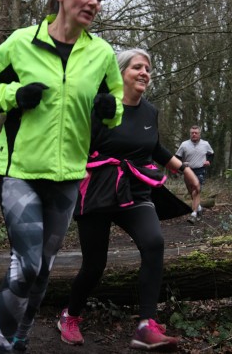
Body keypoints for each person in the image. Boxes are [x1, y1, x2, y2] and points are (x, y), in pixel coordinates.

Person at [0, 0, 124, 353]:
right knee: (26, 263)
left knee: (43, 269)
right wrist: (13, 95)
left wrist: (110, 109)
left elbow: (117, 100)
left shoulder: (102, 54)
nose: (93, 2)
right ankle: (3, 346)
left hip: (68, 175)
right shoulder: (21, 42)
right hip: (19, 170)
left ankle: (21, 336)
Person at [57, 49, 199, 351]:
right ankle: (70, 315)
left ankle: (146, 325)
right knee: (94, 265)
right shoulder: (100, 106)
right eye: (137, 67)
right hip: (97, 188)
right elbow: (71, 142)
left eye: (148, 68)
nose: (144, 72)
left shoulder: (150, 112)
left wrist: (184, 169)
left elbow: (154, 147)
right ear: (120, 72)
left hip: (135, 188)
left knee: (154, 243)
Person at [175, 125, 214, 223]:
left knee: (196, 190)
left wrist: (209, 161)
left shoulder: (205, 144)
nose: (194, 134)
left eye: (196, 133)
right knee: (191, 191)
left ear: (199, 134)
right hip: (188, 170)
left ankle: (193, 214)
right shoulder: (184, 144)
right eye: (192, 133)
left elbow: (211, 154)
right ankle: (199, 207)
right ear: (190, 134)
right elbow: (177, 157)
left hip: (200, 170)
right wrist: (182, 163)